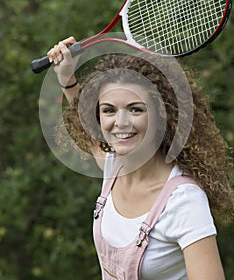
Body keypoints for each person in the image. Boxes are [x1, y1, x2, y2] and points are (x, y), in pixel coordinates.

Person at [47, 36, 233, 280]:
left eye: (136, 109)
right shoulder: (113, 166)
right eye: (109, 110)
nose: (120, 123)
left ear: (161, 114)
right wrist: (67, 79)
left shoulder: (183, 202)